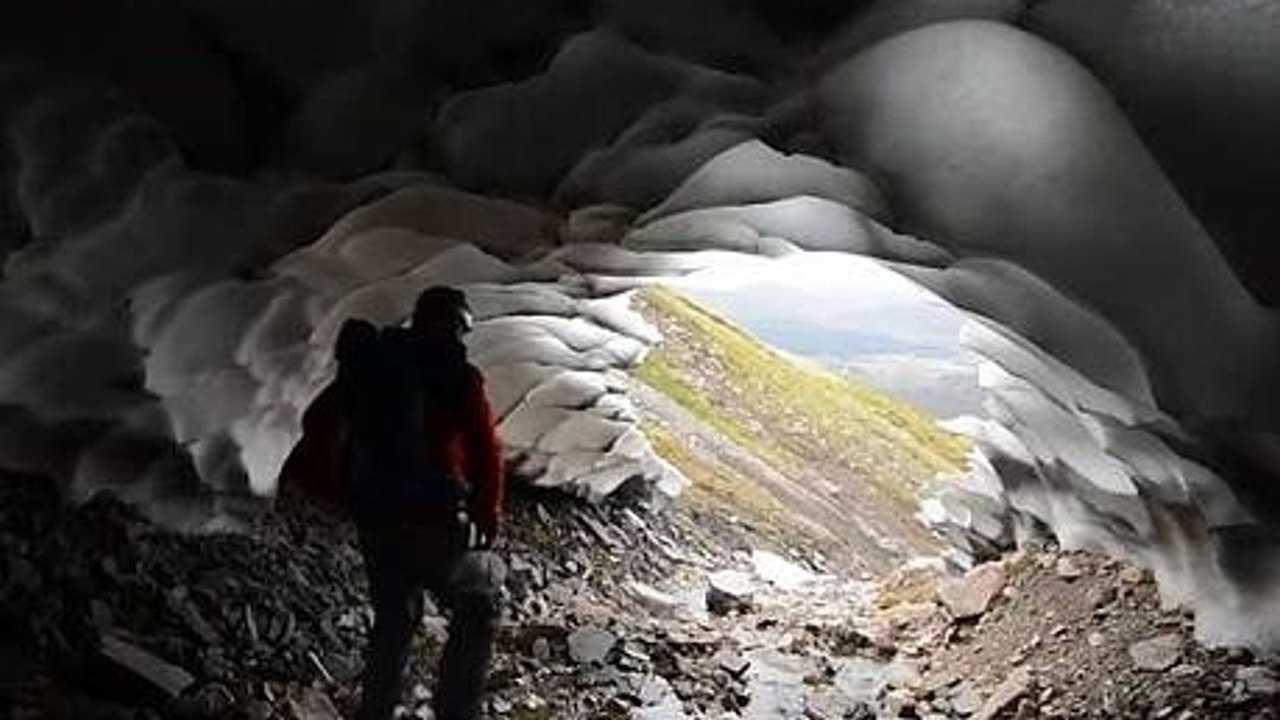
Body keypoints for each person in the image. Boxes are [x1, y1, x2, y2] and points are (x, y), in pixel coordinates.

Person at [334, 286, 506, 720]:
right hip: (431, 518)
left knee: (395, 619)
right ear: (453, 324)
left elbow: (321, 421)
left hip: (375, 513)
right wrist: (487, 513)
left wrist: (348, 492)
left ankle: (374, 712)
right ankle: (456, 712)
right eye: (462, 328)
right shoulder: (459, 375)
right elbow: (487, 452)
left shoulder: (375, 358)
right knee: (478, 604)